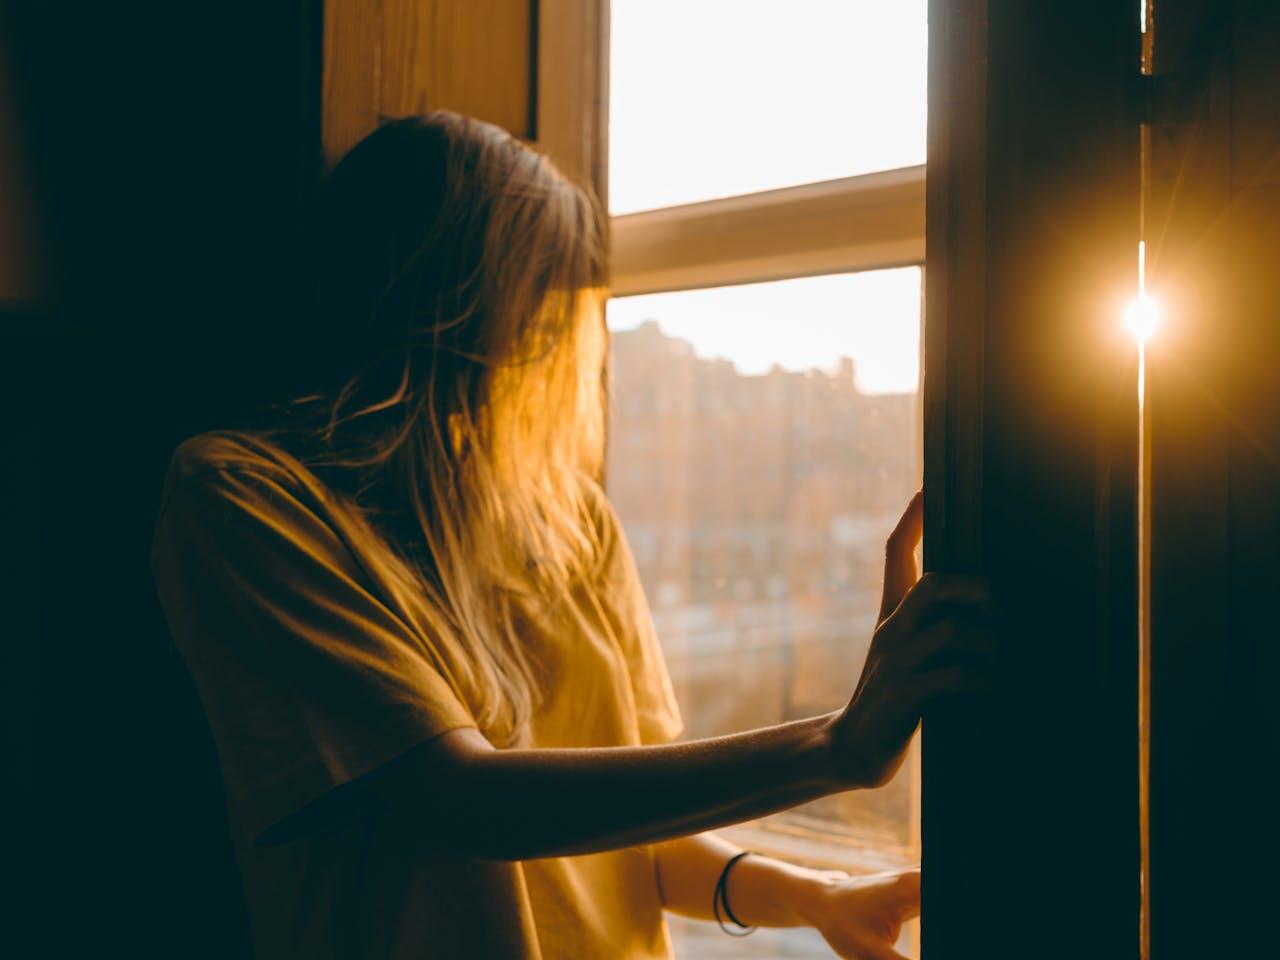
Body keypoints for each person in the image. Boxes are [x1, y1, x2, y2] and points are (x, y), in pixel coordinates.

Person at [150, 111, 994, 960]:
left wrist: (815, 895)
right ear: (450, 300)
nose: (553, 336)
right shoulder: (246, 499)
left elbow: (635, 847)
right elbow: (466, 803)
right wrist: (833, 746)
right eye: (541, 292)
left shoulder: (570, 520)